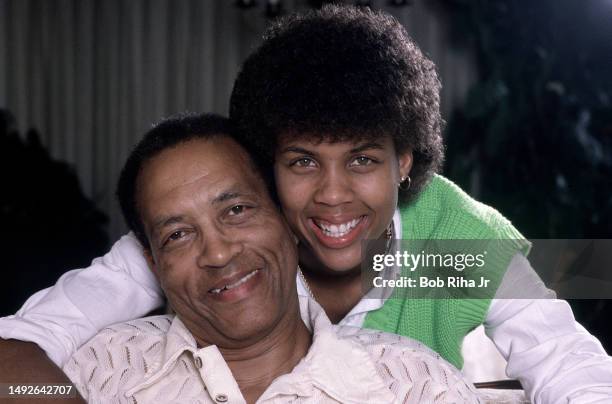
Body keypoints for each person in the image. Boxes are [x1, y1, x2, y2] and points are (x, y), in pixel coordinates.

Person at [0, 5, 611, 403]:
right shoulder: (204, 238)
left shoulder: (449, 247)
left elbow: (569, 364)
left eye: (363, 160)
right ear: (268, 167)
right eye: (302, 162)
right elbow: (18, 352)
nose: (333, 193)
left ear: (405, 162)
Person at [62, 112, 482, 403]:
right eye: (178, 234)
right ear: (154, 263)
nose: (219, 252)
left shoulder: (418, 386)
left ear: (284, 218)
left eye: (237, 210)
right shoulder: (104, 365)